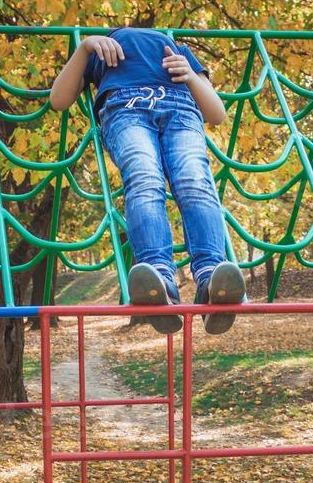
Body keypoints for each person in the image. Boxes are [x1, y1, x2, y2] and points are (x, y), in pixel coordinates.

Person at [50, 26, 246, 335]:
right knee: (144, 177)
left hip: (181, 110)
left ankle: (210, 277)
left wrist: (192, 77)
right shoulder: (105, 50)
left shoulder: (180, 53)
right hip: (126, 109)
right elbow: (59, 99)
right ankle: (159, 278)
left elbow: (217, 113)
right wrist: (85, 47)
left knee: (195, 181)